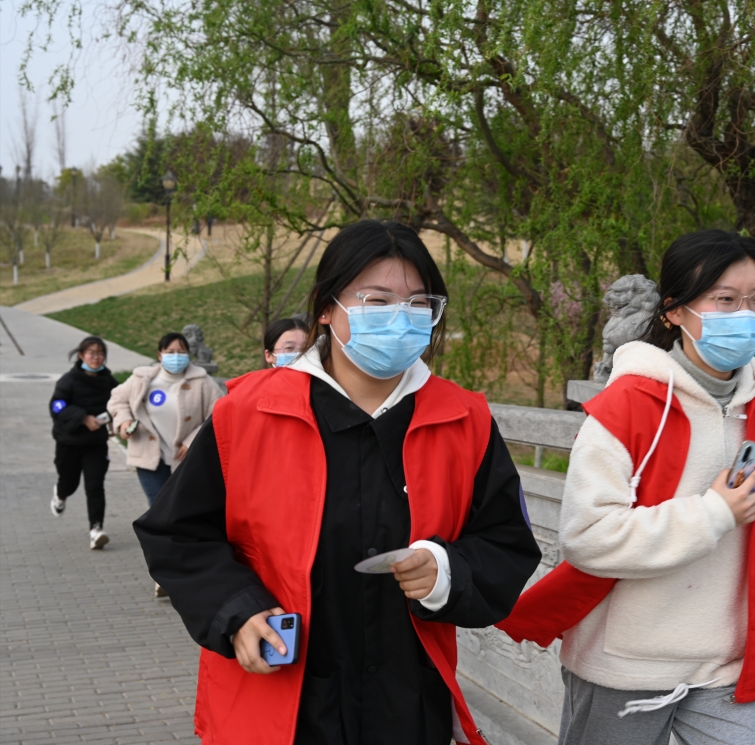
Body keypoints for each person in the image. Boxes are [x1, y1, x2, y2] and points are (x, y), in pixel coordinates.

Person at [132, 220, 541, 745]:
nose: (400, 318)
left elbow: (506, 542)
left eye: (418, 304)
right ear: (327, 308)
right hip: (283, 700)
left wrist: (445, 571)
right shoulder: (250, 413)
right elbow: (177, 533)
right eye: (377, 300)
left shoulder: (465, 419)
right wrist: (236, 610)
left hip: (406, 702)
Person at [497, 230, 755, 745]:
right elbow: (588, 537)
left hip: (720, 661)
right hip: (624, 664)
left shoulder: (754, 401)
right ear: (674, 311)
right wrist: (713, 513)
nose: (746, 312)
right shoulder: (625, 407)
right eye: (724, 299)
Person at [109, 332, 225, 509]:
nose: (176, 356)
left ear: (188, 354)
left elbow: (218, 415)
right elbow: (117, 399)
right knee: (158, 507)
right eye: (170, 352)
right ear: (159, 355)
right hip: (149, 456)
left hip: (187, 459)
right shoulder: (142, 379)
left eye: (181, 351)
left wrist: (192, 440)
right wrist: (124, 422)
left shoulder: (203, 382)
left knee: (183, 506)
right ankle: (158, 537)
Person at [48, 336, 118, 550]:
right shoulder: (68, 380)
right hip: (69, 442)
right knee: (69, 482)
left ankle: (96, 530)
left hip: (96, 443)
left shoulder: (109, 381)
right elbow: (57, 407)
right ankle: (60, 495)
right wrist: (83, 418)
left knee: (95, 486)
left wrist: (116, 421)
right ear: (81, 356)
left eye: (100, 353)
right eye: (91, 353)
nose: (96, 357)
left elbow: (119, 402)